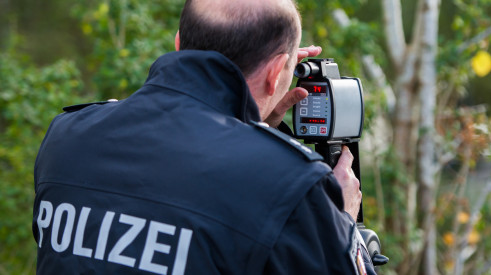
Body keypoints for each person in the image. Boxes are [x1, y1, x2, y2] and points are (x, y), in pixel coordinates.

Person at [32, 0, 376, 274]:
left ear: (179, 44)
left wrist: (257, 128)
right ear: (275, 74)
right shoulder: (290, 183)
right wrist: (341, 221)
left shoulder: (67, 136)